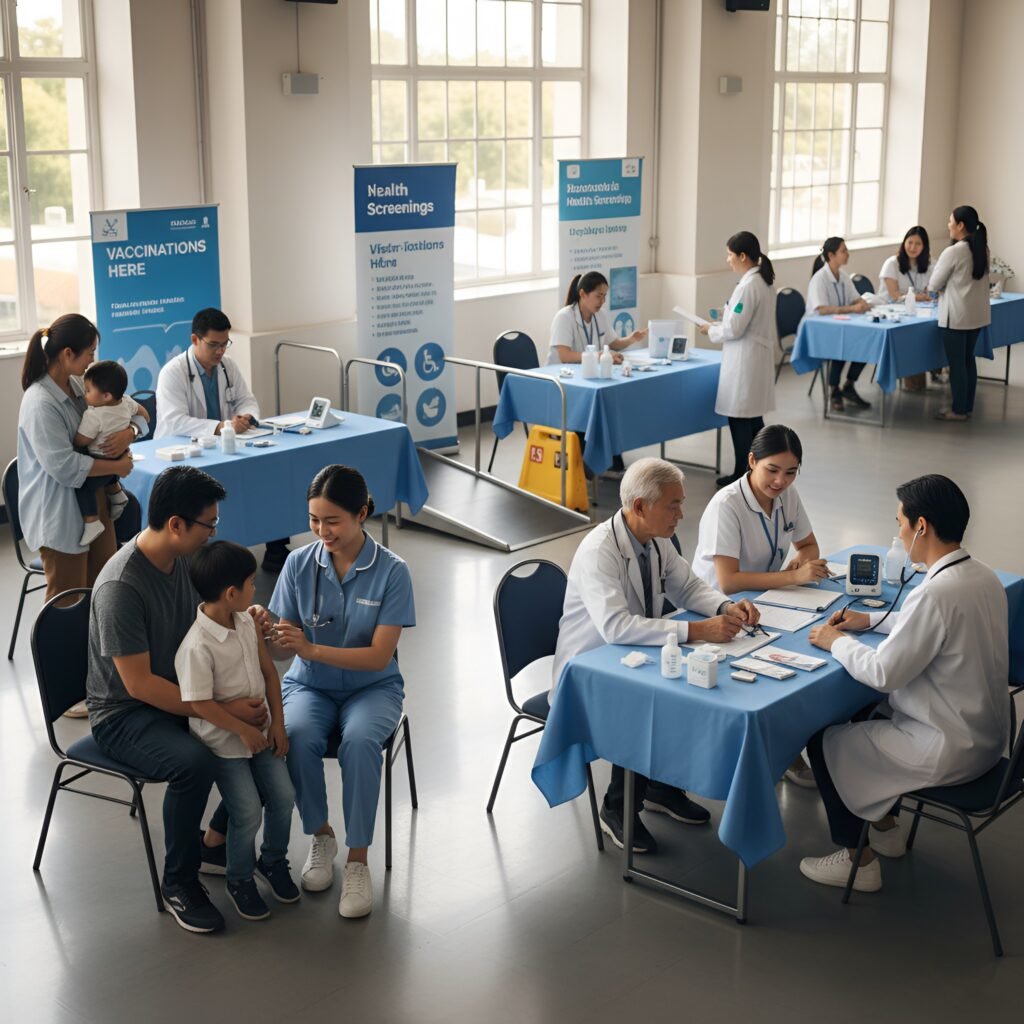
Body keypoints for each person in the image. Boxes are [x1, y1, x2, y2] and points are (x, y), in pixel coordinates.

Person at [801, 475, 1008, 892]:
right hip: (988, 740)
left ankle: (859, 862)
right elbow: (940, 628)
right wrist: (872, 619)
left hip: (948, 749)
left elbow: (884, 673)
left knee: (823, 740)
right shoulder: (984, 578)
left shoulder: (934, 594)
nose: (896, 531)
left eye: (899, 522)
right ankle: (886, 831)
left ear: (921, 527)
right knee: (864, 714)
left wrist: (836, 640)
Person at [86, 466, 270, 934]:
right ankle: (179, 883)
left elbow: (213, 609)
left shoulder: (187, 561)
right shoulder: (121, 586)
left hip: (182, 687)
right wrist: (224, 712)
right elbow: (139, 686)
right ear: (176, 525)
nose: (213, 532)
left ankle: (214, 841)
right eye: (209, 524)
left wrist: (246, 613)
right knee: (195, 763)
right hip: (124, 713)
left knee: (261, 735)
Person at [552, 457, 760, 853]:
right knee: (643, 702)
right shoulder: (600, 550)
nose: (682, 514)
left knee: (689, 689)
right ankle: (617, 806)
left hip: (634, 654)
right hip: (589, 668)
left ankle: (661, 787)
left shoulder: (655, 540)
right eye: (674, 505)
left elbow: (689, 588)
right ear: (640, 507)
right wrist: (696, 630)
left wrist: (723, 607)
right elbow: (617, 627)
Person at [254, 465, 414, 920]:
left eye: (333, 521)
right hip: (309, 684)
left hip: (373, 687)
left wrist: (310, 647)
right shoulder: (298, 564)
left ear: (362, 512)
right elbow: (285, 654)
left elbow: (380, 657)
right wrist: (266, 631)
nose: (322, 531)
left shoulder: (393, 572)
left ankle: (358, 858)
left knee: (361, 742)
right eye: (313, 520)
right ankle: (321, 835)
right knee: (298, 735)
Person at [18, 314, 140, 715]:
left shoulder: (75, 387)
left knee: (102, 597)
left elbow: (123, 414)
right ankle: (65, 691)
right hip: (59, 514)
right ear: (67, 354)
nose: (92, 361)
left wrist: (130, 434)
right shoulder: (39, 402)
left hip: (94, 509)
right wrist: (119, 468)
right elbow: (66, 467)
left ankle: (101, 681)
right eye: (89, 353)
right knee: (66, 606)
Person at [691, 423, 824, 788]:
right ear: (751, 461)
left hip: (765, 602)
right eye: (772, 470)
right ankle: (778, 752)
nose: (781, 481)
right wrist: (794, 578)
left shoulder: (787, 496)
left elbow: (808, 546)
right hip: (719, 606)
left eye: (791, 472)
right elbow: (729, 580)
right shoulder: (727, 505)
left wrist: (801, 562)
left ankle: (785, 746)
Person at [176, 541, 299, 922]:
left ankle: (273, 860)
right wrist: (242, 731)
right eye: (250, 583)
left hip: (261, 733)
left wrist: (277, 723)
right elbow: (199, 704)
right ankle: (239, 878)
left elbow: (268, 674)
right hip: (225, 743)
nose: (255, 590)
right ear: (231, 594)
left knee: (283, 796)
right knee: (246, 811)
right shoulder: (197, 646)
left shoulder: (245, 621)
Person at [155, 307, 288, 571]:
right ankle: (202, 561)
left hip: (225, 448)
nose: (220, 351)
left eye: (225, 344)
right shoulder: (173, 372)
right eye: (213, 345)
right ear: (195, 340)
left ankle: (276, 548)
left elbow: (246, 400)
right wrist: (222, 426)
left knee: (270, 476)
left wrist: (246, 417)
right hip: (186, 453)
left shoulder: (227, 366)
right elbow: (174, 421)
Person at [696, 231, 777, 488]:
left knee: (741, 418)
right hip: (753, 358)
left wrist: (711, 330)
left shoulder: (749, 285)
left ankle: (742, 472)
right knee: (753, 418)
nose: (728, 259)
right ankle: (760, 468)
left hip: (746, 361)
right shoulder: (761, 282)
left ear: (743, 256)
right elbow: (739, 319)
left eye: (730, 255)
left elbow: (734, 329)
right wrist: (726, 318)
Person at [73, 360, 150, 547]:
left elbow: (81, 441)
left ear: (106, 395)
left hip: (103, 460)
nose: (85, 394)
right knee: (109, 477)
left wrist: (75, 437)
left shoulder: (94, 415)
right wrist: (131, 428)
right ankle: (117, 493)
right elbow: (145, 415)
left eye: (88, 391)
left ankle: (91, 522)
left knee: (84, 487)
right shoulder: (126, 401)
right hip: (121, 456)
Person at [928, 206, 991, 422]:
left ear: (960, 225)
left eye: (950, 221)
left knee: (957, 364)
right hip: (975, 315)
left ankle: (958, 410)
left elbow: (934, 284)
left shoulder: (954, 251)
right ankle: (967, 406)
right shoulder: (982, 248)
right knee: (967, 361)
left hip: (956, 316)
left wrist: (941, 287)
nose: (948, 225)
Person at [806, 237, 871, 412]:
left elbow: (854, 297)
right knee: (840, 348)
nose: (847, 254)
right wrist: (851, 308)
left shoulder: (843, 275)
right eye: (843, 251)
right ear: (831, 255)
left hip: (842, 326)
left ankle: (849, 385)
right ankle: (834, 390)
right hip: (820, 331)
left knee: (867, 343)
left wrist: (863, 303)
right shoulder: (819, 279)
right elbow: (822, 309)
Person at [878, 227, 938, 392]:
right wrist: (920, 296)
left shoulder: (930, 263)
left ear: (924, 246)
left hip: (918, 311)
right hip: (891, 311)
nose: (912, 247)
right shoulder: (892, 263)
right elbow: (894, 295)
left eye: (918, 244)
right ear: (904, 243)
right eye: (910, 242)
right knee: (913, 334)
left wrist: (923, 296)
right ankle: (913, 378)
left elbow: (934, 289)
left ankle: (935, 368)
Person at [547, 271, 647, 366]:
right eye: (598, 296)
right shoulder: (564, 317)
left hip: (585, 371)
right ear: (582, 294)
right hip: (559, 375)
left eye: (604, 296)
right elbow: (565, 356)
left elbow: (613, 344)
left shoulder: (600, 314)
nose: (603, 301)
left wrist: (631, 339)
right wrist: (598, 356)